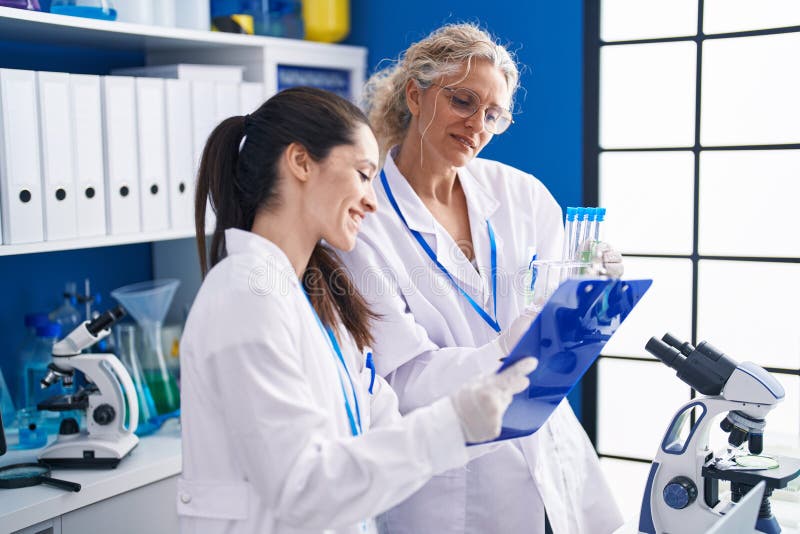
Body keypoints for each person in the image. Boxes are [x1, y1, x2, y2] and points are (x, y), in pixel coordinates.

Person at [177, 86, 536, 534]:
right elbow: (302, 488)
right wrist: (455, 425)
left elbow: (381, 434)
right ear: (301, 162)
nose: (372, 200)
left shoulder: (320, 303)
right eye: (364, 174)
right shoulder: (244, 296)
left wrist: (487, 404)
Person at [339, 23, 624, 534]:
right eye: (463, 101)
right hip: (451, 482)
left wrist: (591, 301)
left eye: (493, 114)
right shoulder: (366, 218)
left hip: (549, 454)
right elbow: (401, 380)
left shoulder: (522, 195)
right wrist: (505, 352)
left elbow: (560, 341)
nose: (477, 125)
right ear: (415, 93)